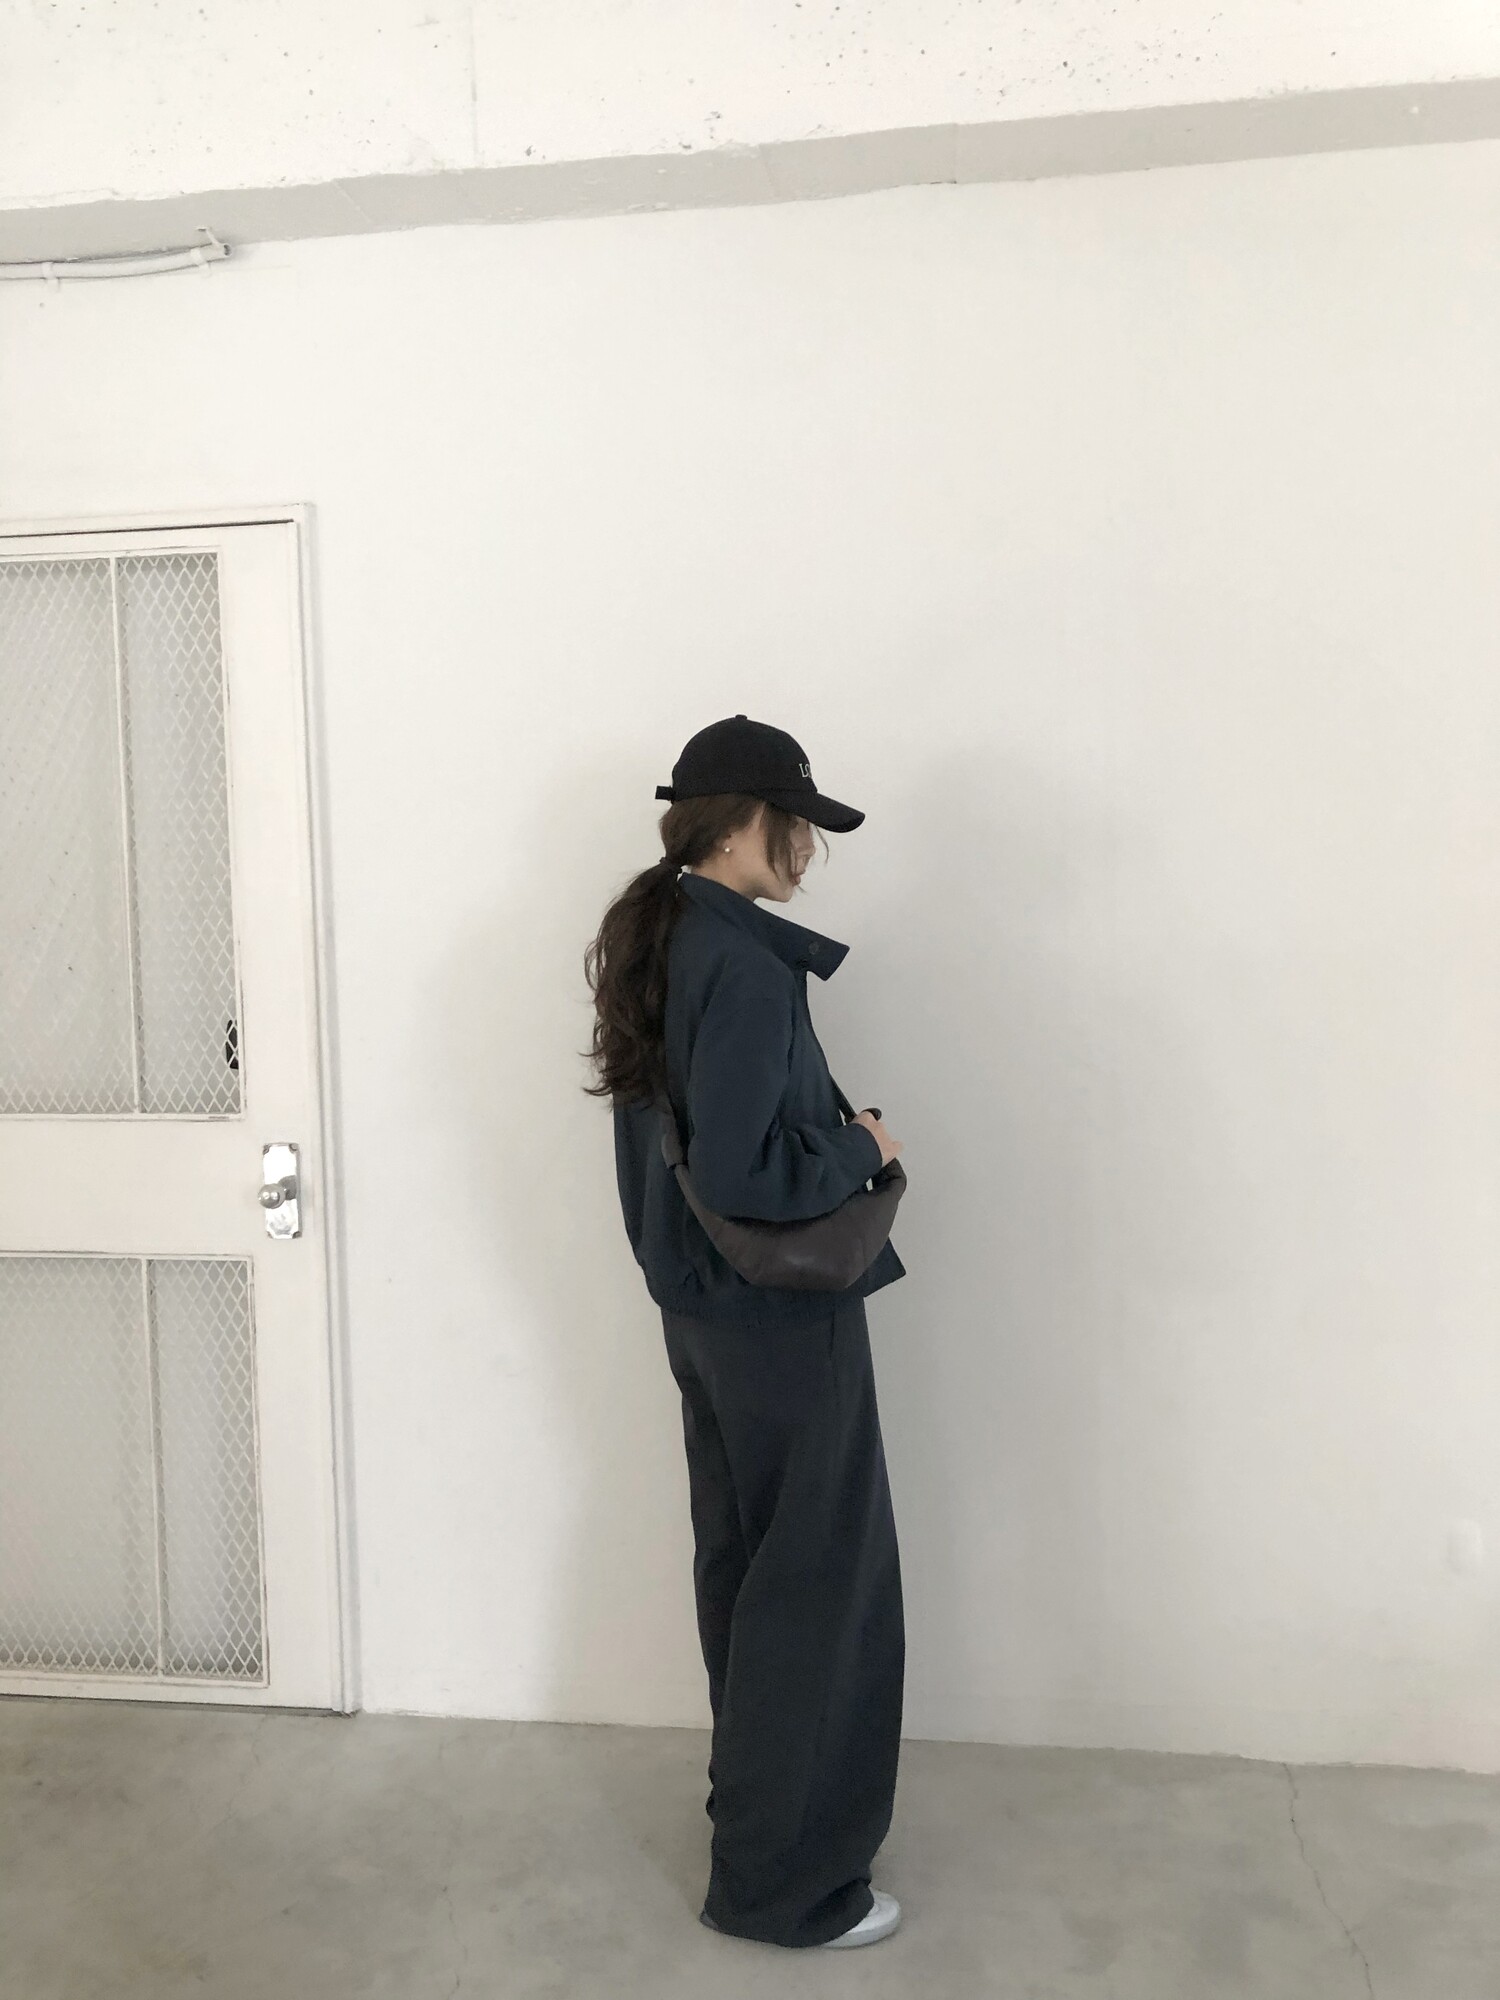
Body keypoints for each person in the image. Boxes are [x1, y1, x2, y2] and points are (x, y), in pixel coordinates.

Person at [582, 713, 908, 1950]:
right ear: (736, 826)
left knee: (750, 1573)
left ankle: (760, 1841)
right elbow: (743, 1168)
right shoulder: (743, 962)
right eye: (798, 825)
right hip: (778, 1314)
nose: (809, 850)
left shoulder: (661, 934)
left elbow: (681, 1160)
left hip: (704, 1314)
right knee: (818, 1587)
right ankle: (790, 1888)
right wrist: (858, 1146)